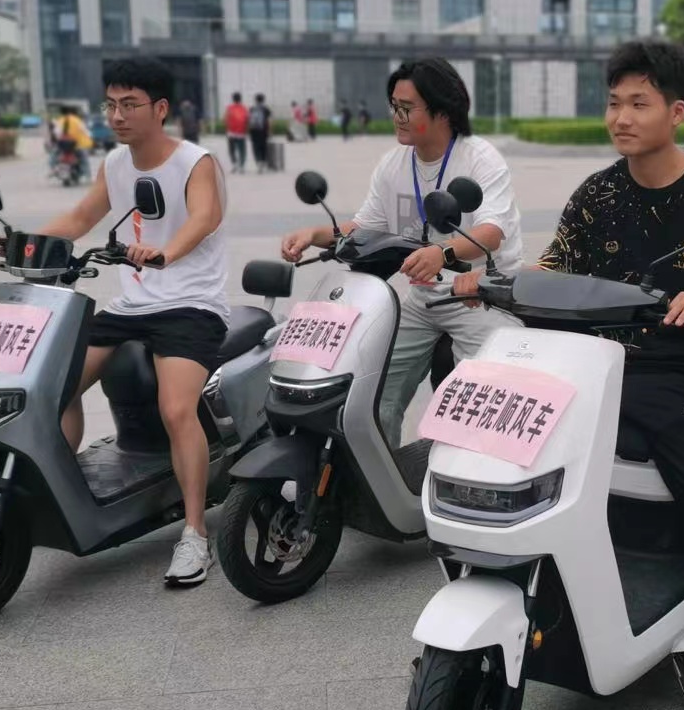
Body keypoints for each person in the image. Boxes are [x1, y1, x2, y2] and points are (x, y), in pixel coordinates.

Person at [455, 41, 684, 710]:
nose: (621, 117)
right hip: (596, 362)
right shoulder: (598, 193)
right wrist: (497, 284)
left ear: (677, 111)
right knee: (515, 454)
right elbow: (556, 264)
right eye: (614, 103)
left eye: (639, 103)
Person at [0, 57, 229, 586]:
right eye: (111, 105)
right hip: (131, 306)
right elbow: (82, 217)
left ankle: (195, 534)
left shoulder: (195, 162)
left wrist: (166, 253)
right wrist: (24, 242)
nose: (117, 116)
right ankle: (61, 495)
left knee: (176, 409)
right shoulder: (116, 163)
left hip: (190, 303)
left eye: (129, 104)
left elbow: (203, 217)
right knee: (53, 386)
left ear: (160, 108)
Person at [282, 58, 523, 448]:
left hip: (480, 296)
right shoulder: (393, 165)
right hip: (422, 300)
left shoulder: (480, 158)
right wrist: (315, 234)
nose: (397, 116)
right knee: (370, 388)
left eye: (407, 108)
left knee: (486, 400)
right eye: (394, 106)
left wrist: (441, 253)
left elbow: (491, 232)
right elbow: (365, 227)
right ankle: (376, 477)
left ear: (443, 111)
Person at [224, 92, 249, 174]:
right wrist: (246, 130)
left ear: (233, 99)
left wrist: (227, 130)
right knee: (242, 150)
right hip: (241, 133)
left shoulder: (229, 108)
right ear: (240, 99)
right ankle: (241, 166)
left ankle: (234, 164)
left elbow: (226, 120)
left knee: (232, 149)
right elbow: (247, 119)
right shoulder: (244, 108)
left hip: (231, 133)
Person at [247, 94, 271, 173]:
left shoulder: (252, 109)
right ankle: (263, 162)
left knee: (255, 147)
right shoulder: (266, 109)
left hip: (254, 131)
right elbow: (269, 121)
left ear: (256, 100)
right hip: (263, 131)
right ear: (263, 100)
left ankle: (258, 162)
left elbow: (249, 120)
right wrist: (270, 131)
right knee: (263, 147)